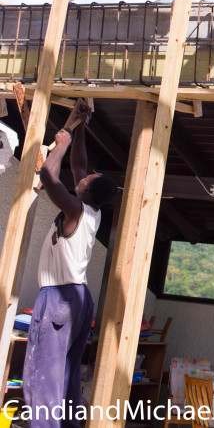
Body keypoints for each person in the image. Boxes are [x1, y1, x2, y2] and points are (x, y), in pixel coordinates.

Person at [23, 117, 118, 428]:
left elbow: (50, 178)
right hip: (78, 297)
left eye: (86, 179)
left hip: (59, 297)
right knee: (66, 372)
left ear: (85, 190)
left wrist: (59, 147)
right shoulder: (91, 209)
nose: (83, 175)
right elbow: (81, 165)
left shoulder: (75, 210)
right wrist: (79, 129)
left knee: (44, 372)